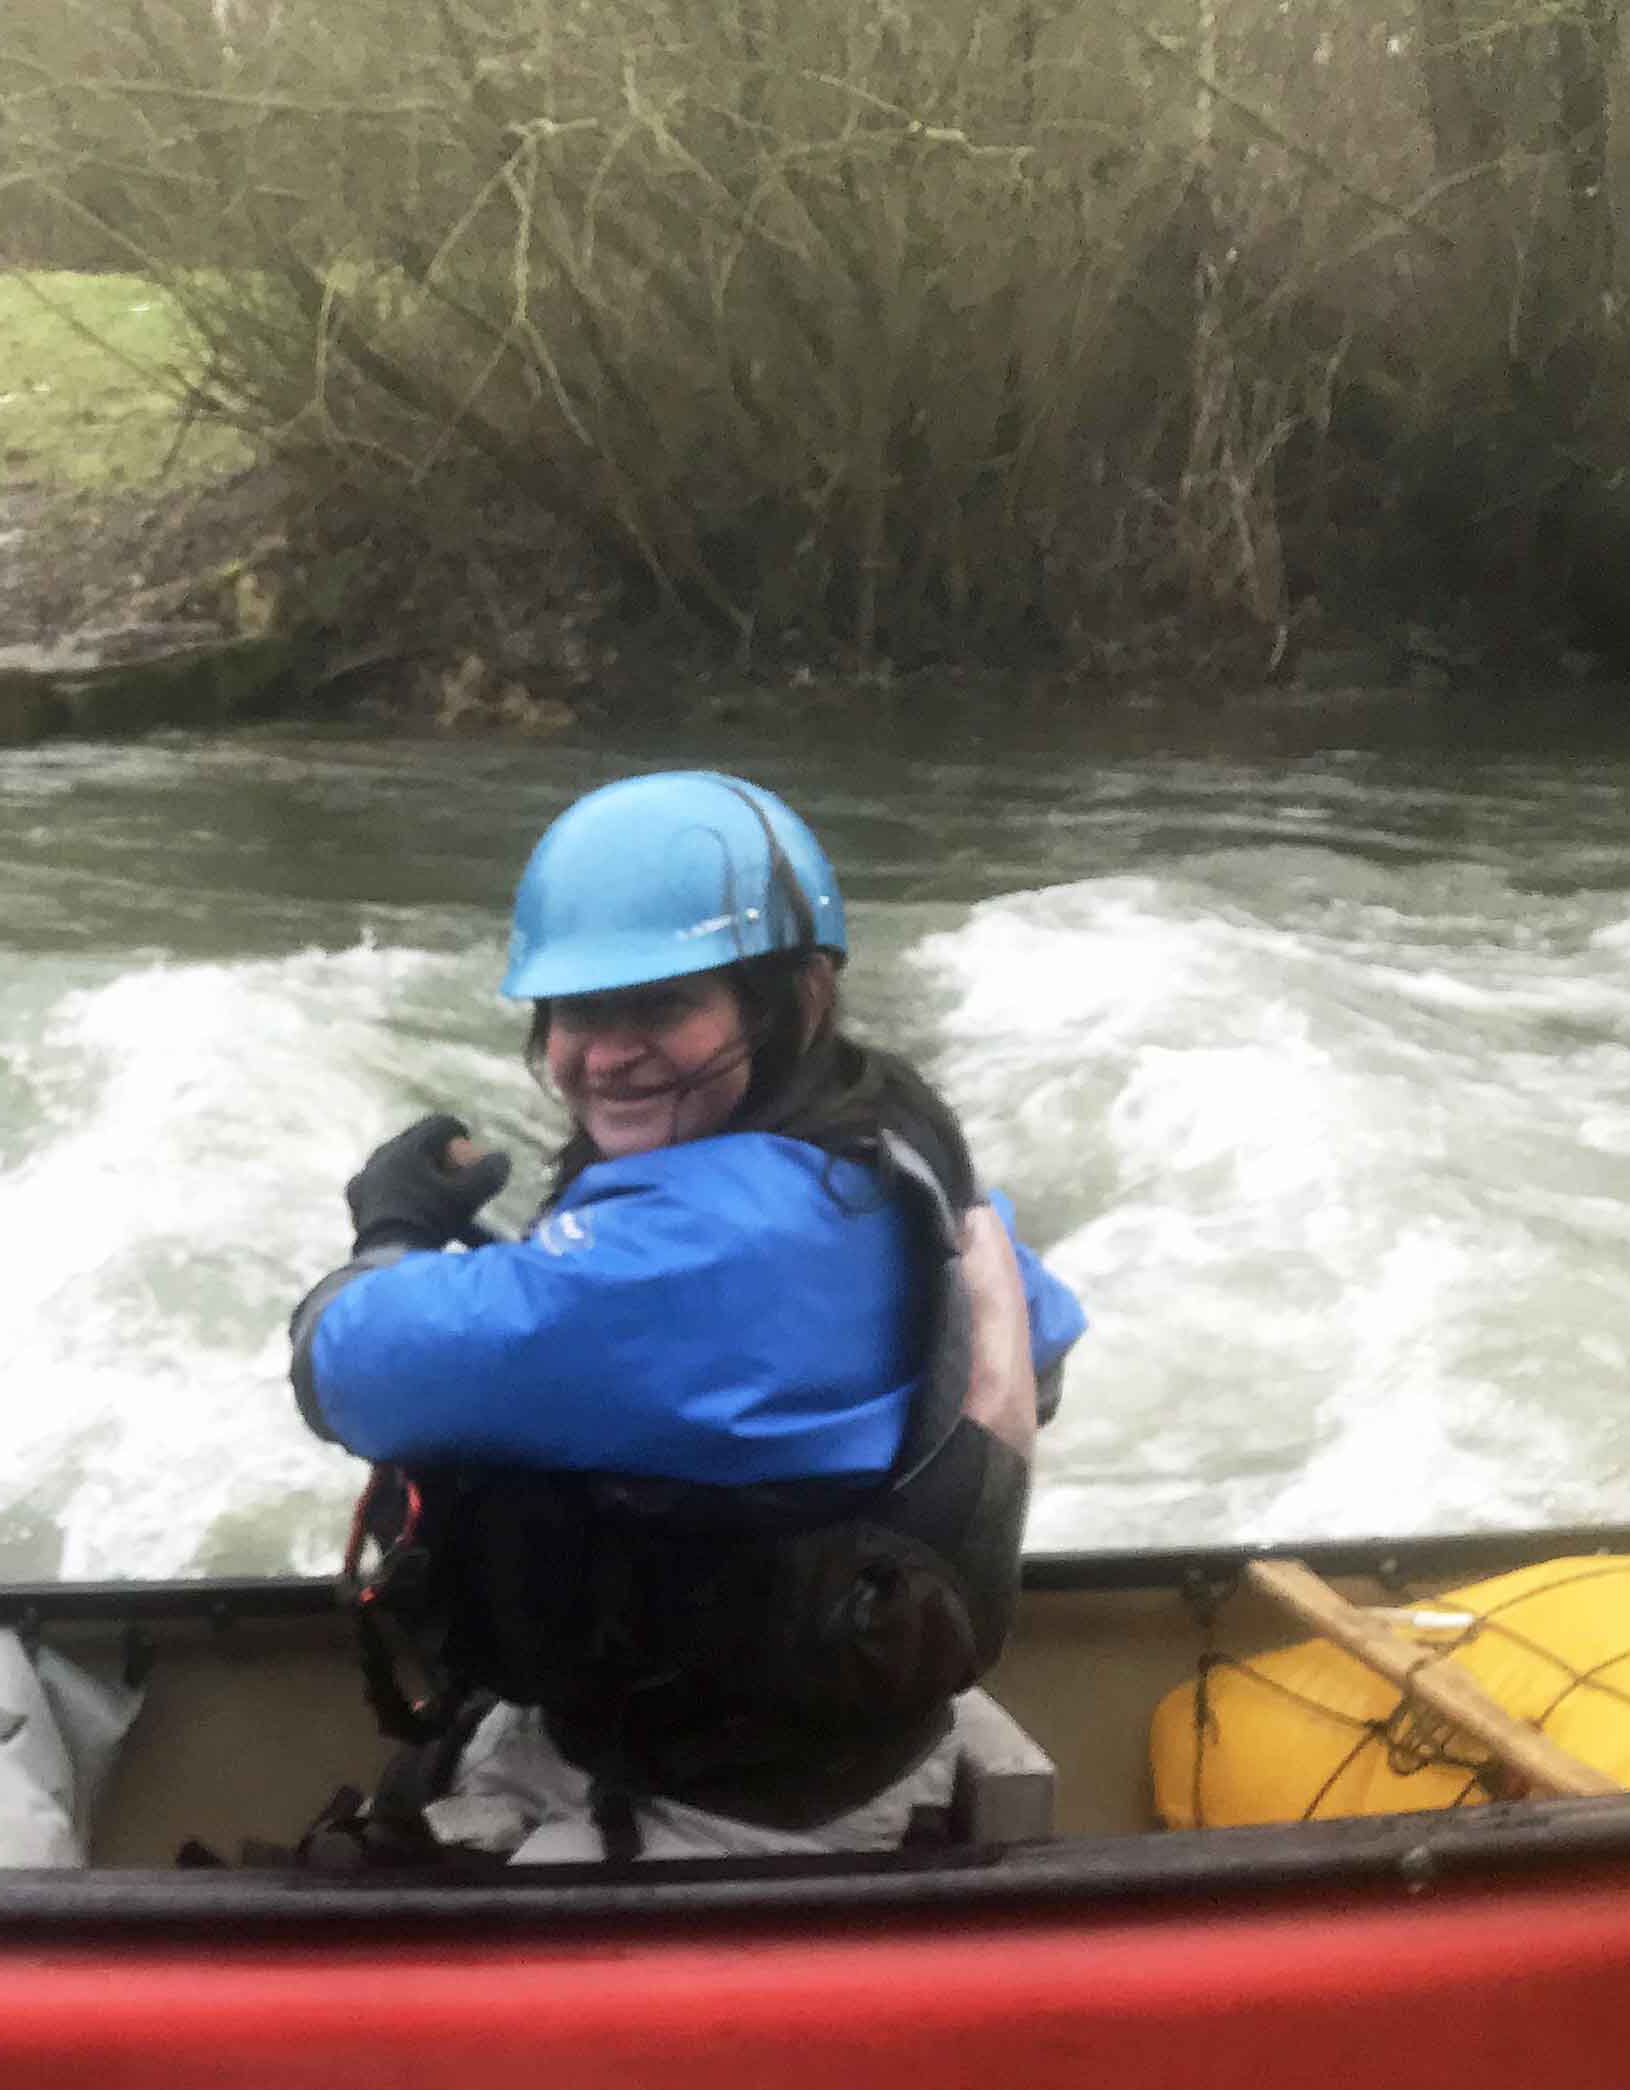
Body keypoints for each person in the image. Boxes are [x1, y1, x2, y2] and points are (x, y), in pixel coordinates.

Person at [288, 770, 1085, 1864]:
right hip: (798, 1751)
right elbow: (1043, 1334)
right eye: (577, 1011)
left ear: (791, 999)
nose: (604, 1055)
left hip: (707, 1808)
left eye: (662, 1005)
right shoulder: (879, 1149)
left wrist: (393, 1235)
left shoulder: (705, 1248)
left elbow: (349, 1372)